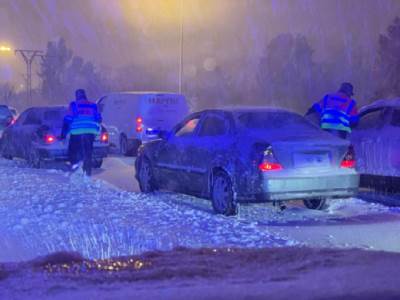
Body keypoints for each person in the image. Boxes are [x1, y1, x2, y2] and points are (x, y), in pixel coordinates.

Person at [61, 89, 102, 176]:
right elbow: (99, 118)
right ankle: (88, 170)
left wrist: (63, 134)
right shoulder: (93, 105)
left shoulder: (74, 105)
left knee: (73, 149)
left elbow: (68, 119)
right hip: (90, 131)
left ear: (76, 96)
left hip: (77, 131)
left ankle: (74, 164)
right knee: (89, 151)